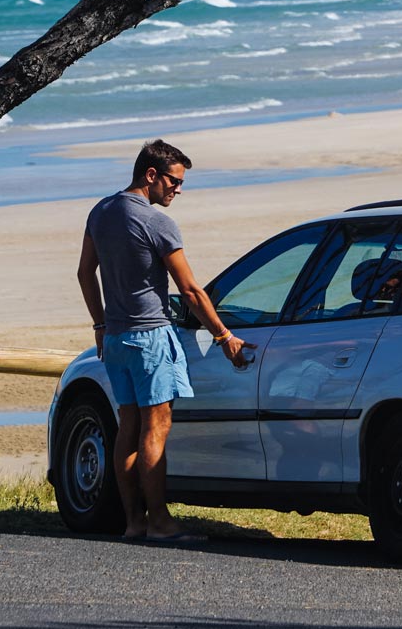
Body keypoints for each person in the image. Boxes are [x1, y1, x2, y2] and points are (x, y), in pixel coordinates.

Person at [76, 139, 254, 542]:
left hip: (118, 339)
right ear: (151, 175)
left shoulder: (101, 211)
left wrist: (100, 327)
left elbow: (85, 274)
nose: (178, 189)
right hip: (152, 336)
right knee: (155, 429)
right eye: (174, 181)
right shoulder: (156, 223)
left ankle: (133, 522)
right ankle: (159, 523)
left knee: (128, 429)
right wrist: (224, 336)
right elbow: (190, 290)